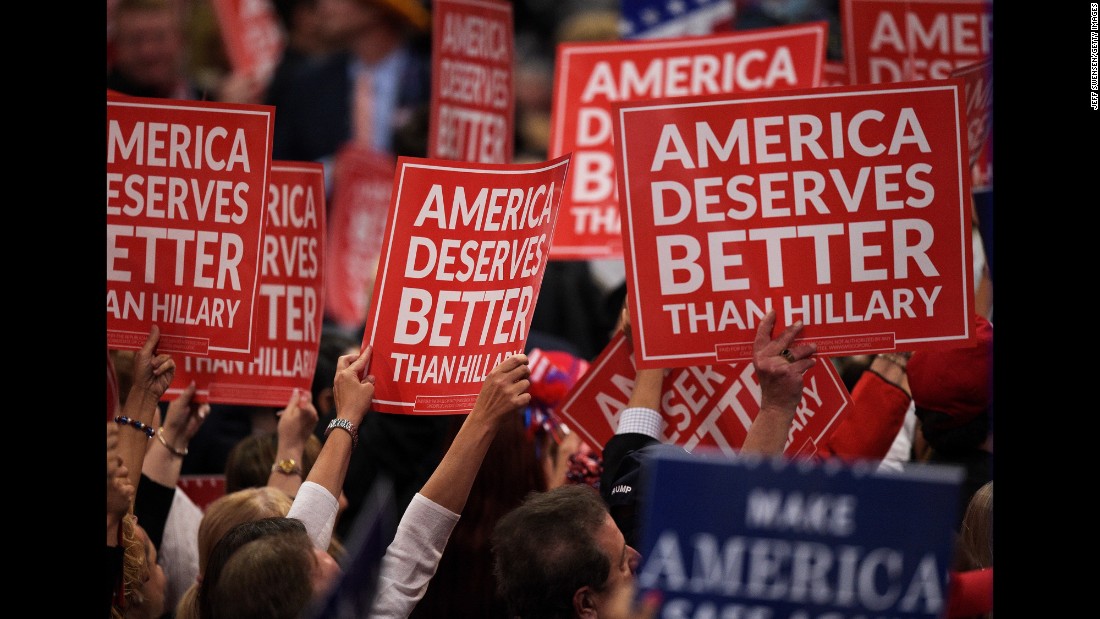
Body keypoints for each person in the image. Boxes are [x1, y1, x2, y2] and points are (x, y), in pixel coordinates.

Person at [491, 310, 816, 617]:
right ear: (586, 603)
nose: (642, 556)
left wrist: (775, 403)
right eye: (624, 563)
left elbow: (633, 451)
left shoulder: (607, 549)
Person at [107, 0, 202, 99]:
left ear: (181, 40)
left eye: (159, 38)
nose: (148, 51)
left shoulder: (205, 99)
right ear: (117, 46)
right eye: (135, 40)